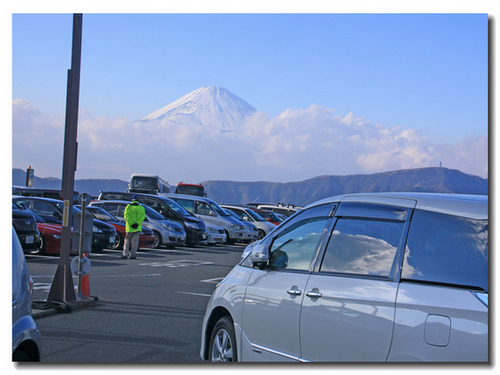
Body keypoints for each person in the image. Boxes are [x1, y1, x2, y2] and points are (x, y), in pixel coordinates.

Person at [122, 195, 146, 259]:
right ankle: (133, 255)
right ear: (138, 200)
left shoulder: (128, 207)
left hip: (129, 227)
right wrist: (137, 224)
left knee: (127, 240)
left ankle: (125, 254)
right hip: (137, 228)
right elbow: (142, 217)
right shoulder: (141, 208)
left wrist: (131, 224)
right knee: (135, 242)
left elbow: (126, 216)